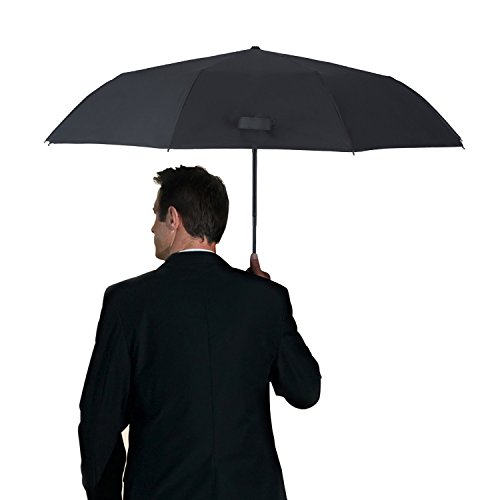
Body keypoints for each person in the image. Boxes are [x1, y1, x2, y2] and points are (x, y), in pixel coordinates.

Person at [78, 165, 322, 500]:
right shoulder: (266, 300)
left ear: (173, 218)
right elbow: (305, 391)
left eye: (156, 215)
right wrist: (267, 301)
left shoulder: (128, 302)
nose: (152, 227)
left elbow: (99, 422)